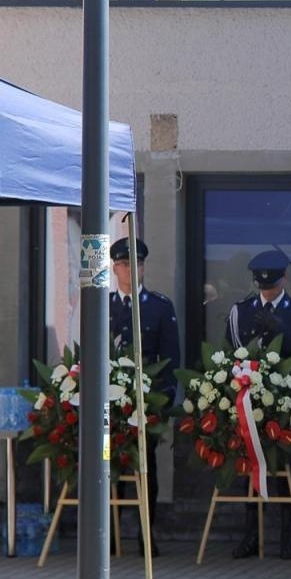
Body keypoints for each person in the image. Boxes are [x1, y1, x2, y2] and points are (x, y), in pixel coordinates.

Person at [226, 249, 291, 560]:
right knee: (249, 466)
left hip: (285, 403)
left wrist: (285, 331)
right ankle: (251, 534)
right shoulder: (241, 311)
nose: (267, 290)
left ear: (284, 280)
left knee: (288, 470)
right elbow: (230, 354)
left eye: (273, 285)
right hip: (249, 400)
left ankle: (288, 536)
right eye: (263, 286)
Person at [109, 237, 181, 556]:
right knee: (107, 463)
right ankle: (109, 533)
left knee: (144, 468)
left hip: (144, 406)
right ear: (114, 269)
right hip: (109, 409)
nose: (131, 270)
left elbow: (170, 358)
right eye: (125, 264)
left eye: (137, 264)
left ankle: (145, 534)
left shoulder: (159, 306)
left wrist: (160, 404)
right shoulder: (102, 304)